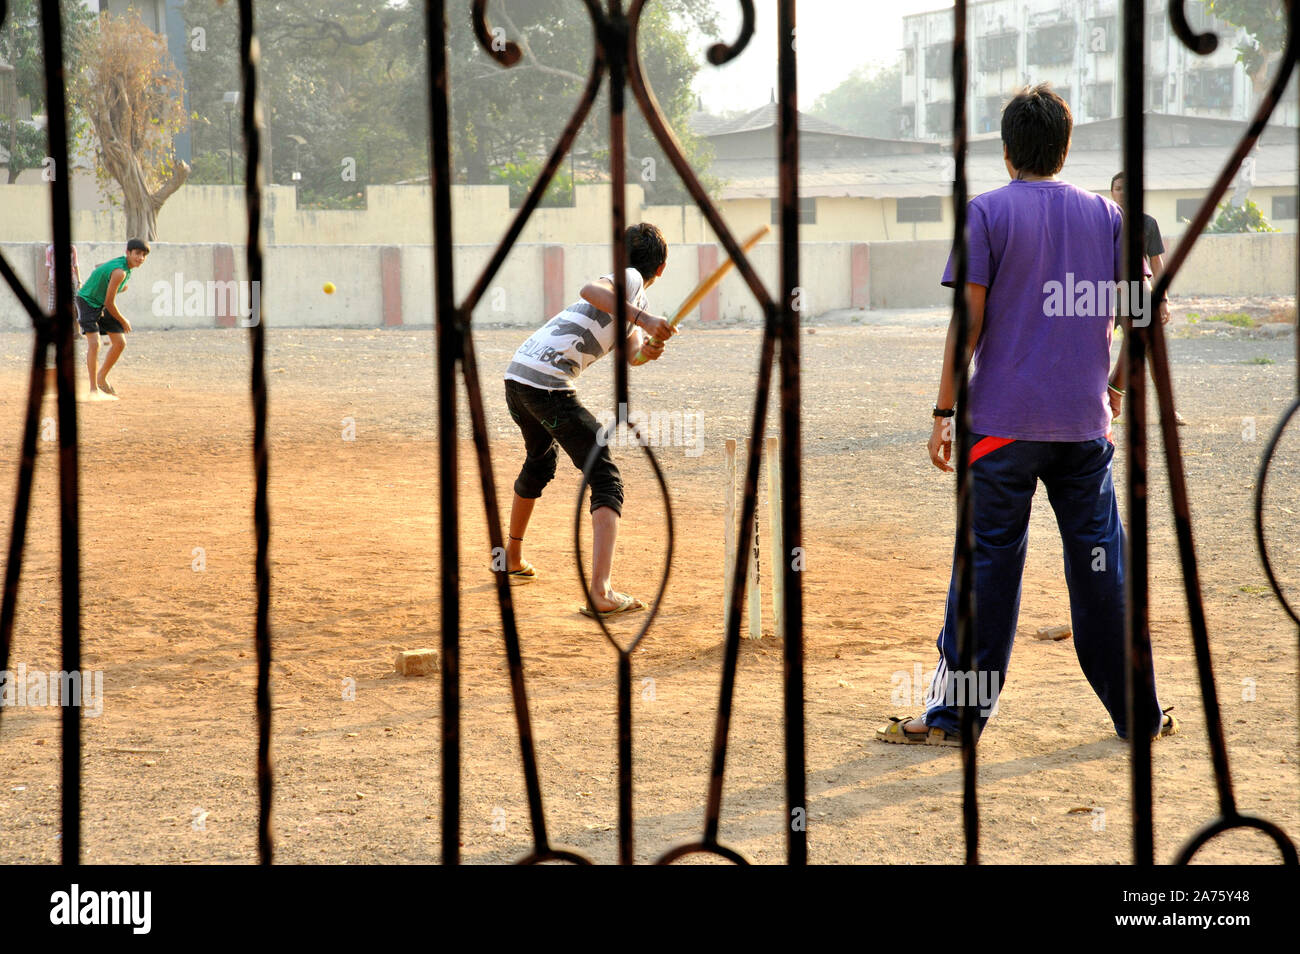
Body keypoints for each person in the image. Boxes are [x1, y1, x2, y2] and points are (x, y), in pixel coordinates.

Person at [876, 85, 1175, 747]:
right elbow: (1146, 322)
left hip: (1001, 431)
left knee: (986, 571)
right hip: (1082, 431)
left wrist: (943, 411)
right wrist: (1117, 387)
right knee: (1103, 574)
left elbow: (969, 323)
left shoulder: (985, 213)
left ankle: (957, 717)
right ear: (1065, 149)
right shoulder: (1110, 218)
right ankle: (1139, 716)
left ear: (1007, 151)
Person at [502, 223, 676, 618]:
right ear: (661, 268)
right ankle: (601, 592)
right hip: (545, 385)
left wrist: (651, 347)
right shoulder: (630, 280)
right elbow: (590, 290)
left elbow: (631, 356)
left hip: (518, 377)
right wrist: (645, 320)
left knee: (540, 461)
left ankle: (511, 556)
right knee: (606, 479)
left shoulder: (632, 301)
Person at [1109, 171, 1185, 425]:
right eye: (1117, 188)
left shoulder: (1147, 223)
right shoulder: (1102, 221)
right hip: (1103, 294)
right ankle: (1103, 402)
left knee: (1152, 348)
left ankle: (1167, 410)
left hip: (1137, 294)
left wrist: (1162, 299)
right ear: (1112, 192)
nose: (1122, 193)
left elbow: (1156, 262)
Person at [76, 238, 149, 400]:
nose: (141, 258)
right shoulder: (120, 272)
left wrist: (120, 286)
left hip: (101, 303)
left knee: (120, 343)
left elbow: (99, 267)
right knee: (95, 344)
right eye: (137, 253)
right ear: (128, 253)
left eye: (144, 255)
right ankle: (93, 389)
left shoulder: (124, 267)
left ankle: (101, 377)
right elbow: (110, 302)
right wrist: (123, 320)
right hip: (87, 302)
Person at [43, 242, 82, 387]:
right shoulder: (51, 249)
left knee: (73, 306)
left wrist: (79, 280)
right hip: (55, 280)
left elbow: (75, 265)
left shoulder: (71, 248)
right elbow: (48, 266)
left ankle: (75, 331)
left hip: (68, 280)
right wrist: (47, 281)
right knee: (55, 306)